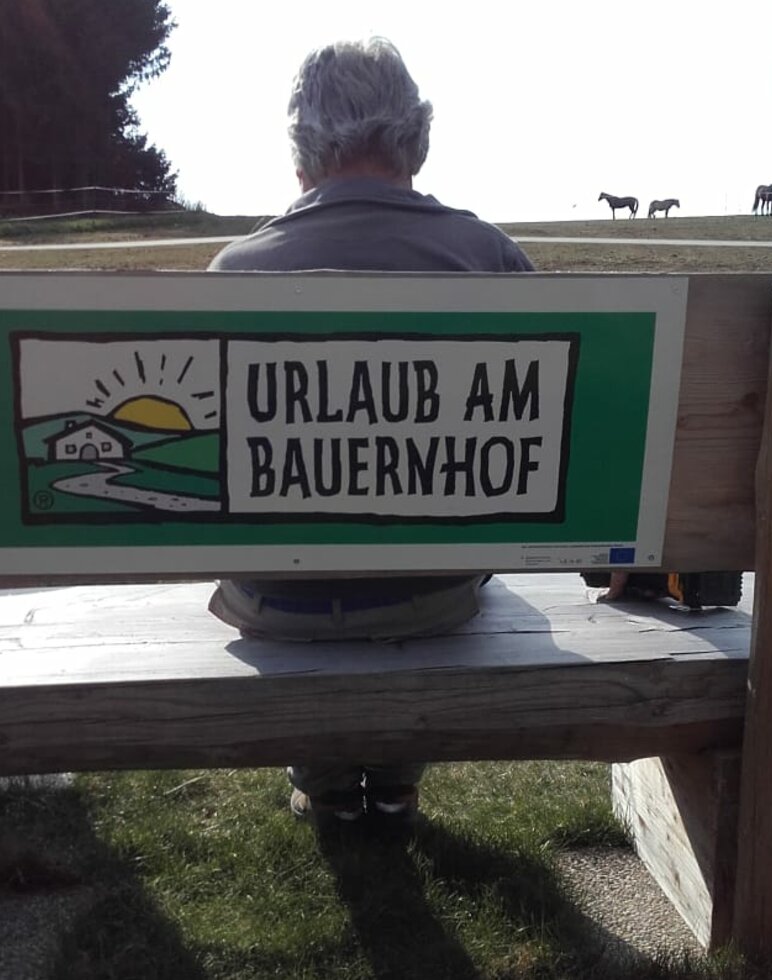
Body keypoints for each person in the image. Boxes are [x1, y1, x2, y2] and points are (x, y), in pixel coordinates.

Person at [206, 37, 535, 826]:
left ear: (302, 157)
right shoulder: (487, 256)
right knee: (431, 560)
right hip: (432, 596)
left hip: (275, 601)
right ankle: (392, 778)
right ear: (414, 140)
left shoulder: (234, 272)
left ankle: (323, 784)